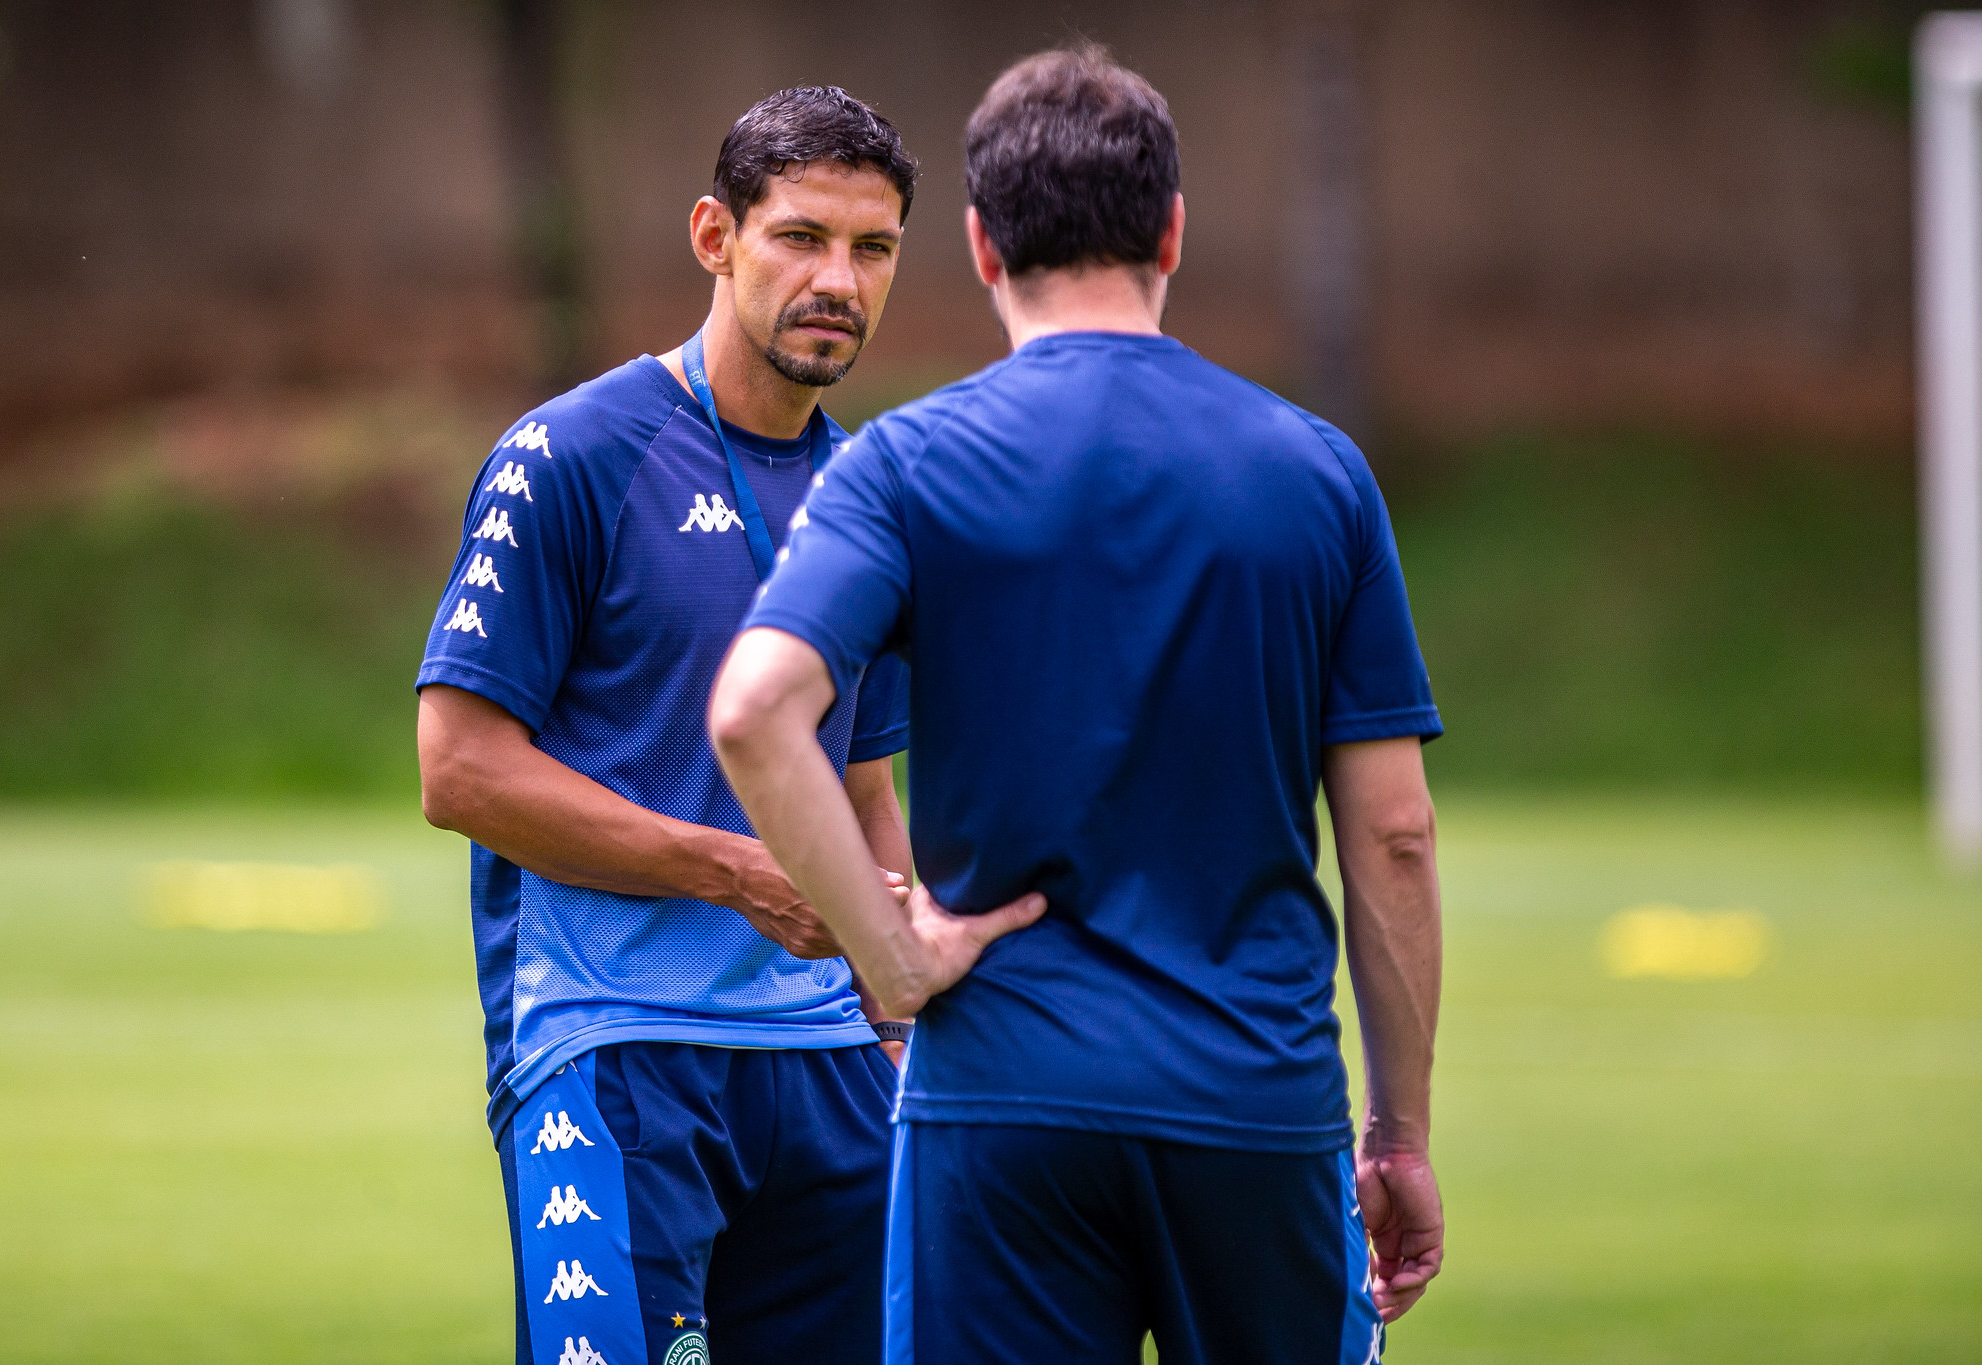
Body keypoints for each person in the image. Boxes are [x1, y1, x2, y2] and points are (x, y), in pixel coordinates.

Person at [711, 48, 1445, 1365]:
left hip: (999, 1103)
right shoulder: (1317, 473)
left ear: (981, 245)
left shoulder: (905, 463)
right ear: (1171, 233)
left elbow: (754, 712)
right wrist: (1396, 1135)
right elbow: (1392, 833)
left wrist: (890, 961)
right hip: (1255, 1095)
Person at [416, 86, 919, 1365]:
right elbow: (460, 771)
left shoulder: (869, 493)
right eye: (799, 237)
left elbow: (865, 791)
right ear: (714, 236)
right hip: (612, 1047)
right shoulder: (571, 455)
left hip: (831, 1063)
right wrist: (736, 872)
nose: (838, 281)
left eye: (871, 248)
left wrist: (902, 1021)